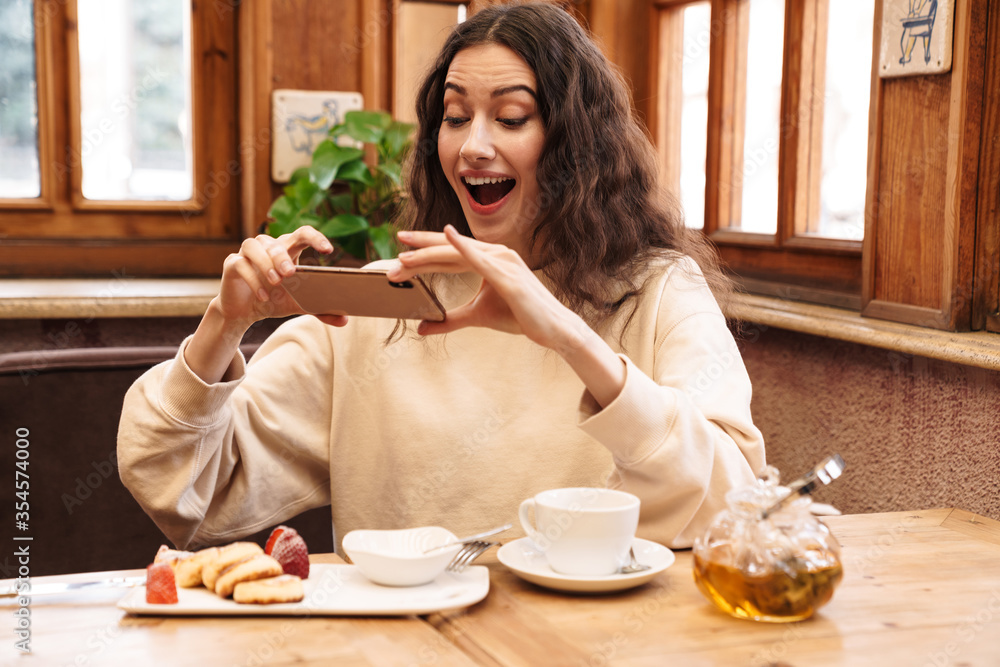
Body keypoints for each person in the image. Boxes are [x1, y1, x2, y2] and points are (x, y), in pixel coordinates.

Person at [117, 2, 765, 554]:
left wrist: (572, 338)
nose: (472, 146)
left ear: (576, 143)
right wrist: (225, 324)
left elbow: (736, 507)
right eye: (455, 117)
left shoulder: (658, 289)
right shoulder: (380, 302)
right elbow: (177, 489)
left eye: (510, 117)